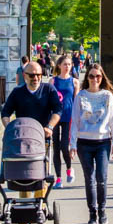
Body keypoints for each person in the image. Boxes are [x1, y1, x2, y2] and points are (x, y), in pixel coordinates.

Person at [70, 62, 113, 224]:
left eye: (98, 76)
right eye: (91, 76)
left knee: (102, 178)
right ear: (87, 77)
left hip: (103, 141)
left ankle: (102, 210)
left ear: (102, 77)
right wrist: (73, 144)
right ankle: (92, 213)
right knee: (89, 179)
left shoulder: (107, 96)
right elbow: (75, 120)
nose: (95, 79)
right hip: (84, 142)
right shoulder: (81, 96)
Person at [50, 53, 78, 187]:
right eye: (65, 64)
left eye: (69, 64)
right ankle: (58, 178)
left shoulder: (74, 81)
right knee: (55, 146)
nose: (67, 67)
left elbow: (76, 100)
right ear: (59, 66)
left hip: (68, 116)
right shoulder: (53, 81)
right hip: (55, 116)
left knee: (64, 146)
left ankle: (68, 168)